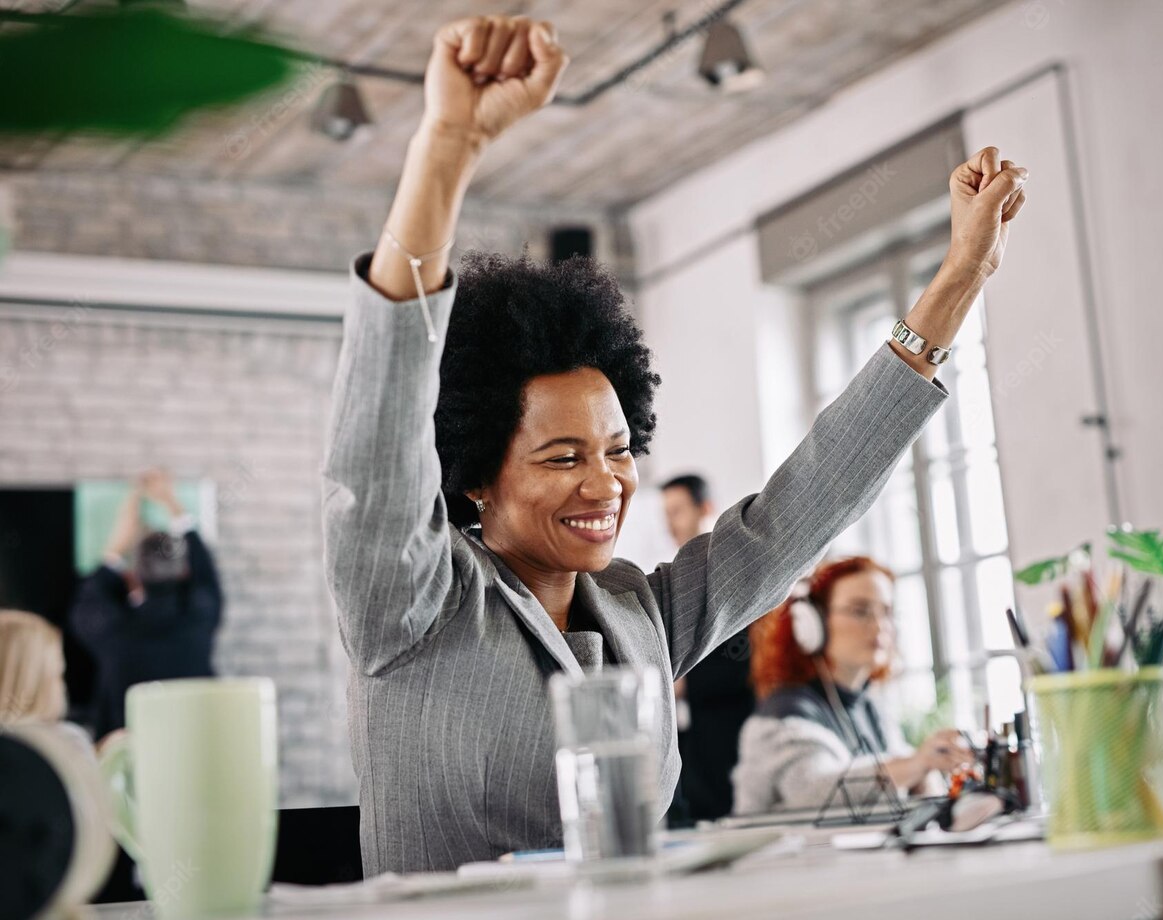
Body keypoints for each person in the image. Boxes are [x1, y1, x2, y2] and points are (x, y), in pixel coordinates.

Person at [322, 13, 1026, 874]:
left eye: (618, 450)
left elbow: (800, 510)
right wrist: (448, 146)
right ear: (473, 476)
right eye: (563, 457)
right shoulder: (410, 599)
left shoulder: (636, 610)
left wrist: (957, 282)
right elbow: (378, 433)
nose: (606, 483)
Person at [732, 557, 970, 815]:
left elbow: (904, 768)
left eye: (887, 612)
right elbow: (814, 789)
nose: (880, 626)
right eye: (860, 610)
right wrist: (916, 765)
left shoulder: (870, 706)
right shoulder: (783, 714)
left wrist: (927, 773)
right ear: (811, 624)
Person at [69, 469, 222, 739]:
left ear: (133, 576)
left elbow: (85, 605)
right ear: (184, 573)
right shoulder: (200, 615)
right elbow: (206, 574)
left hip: (125, 765)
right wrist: (172, 504)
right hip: (198, 750)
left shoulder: (113, 631)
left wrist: (116, 545)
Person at [661, 474, 754, 821]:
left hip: (738, 738)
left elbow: (748, 662)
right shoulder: (675, 585)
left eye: (677, 511)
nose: (670, 523)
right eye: (666, 514)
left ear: (706, 509)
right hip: (696, 745)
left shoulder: (738, 576)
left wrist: (680, 684)